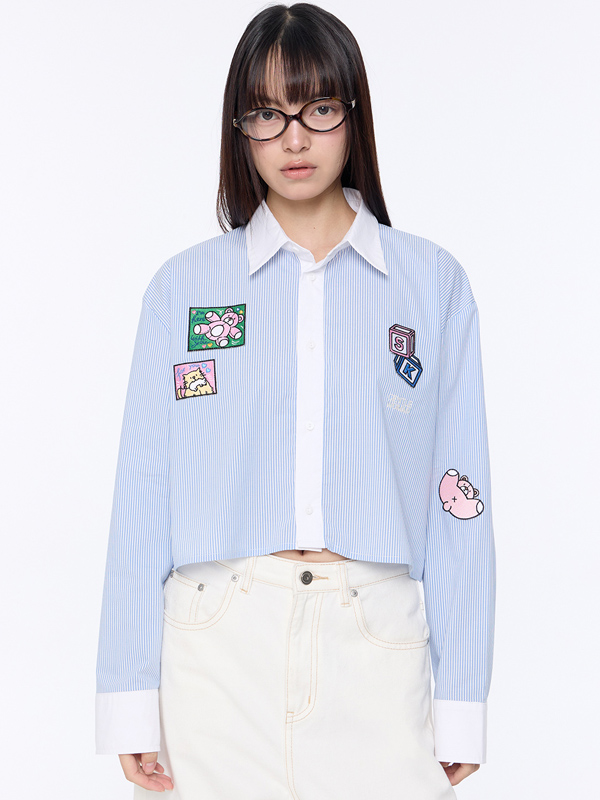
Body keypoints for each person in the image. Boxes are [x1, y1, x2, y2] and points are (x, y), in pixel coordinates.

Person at [95, 3, 496, 798]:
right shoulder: (184, 289)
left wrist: (462, 700)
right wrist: (128, 698)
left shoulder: (431, 285)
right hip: (214, 646)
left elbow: (460, 502)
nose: (293, 138)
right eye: (266, 114)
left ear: (353, 112)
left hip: (376, 642)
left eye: (317, 108)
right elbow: (142, 493)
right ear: (240, 129)